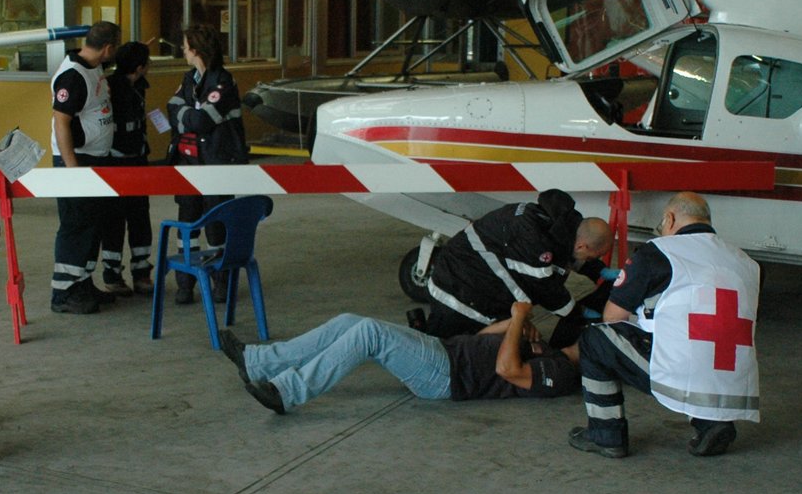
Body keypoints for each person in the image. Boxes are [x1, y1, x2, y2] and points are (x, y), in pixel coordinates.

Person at [569, 191, 760, 460]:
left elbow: (613, 316)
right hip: (735, 382)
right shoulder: (745, 261)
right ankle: (712, 422)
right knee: (692, 347)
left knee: (595, 338)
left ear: (669, 219)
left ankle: (605, 435)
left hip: (682, 371)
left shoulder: (657, 251)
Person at [221, 301, 579, 414]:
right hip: (445, 350)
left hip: (446, 376)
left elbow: (506, 369)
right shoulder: (548, 349)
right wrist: (515, 323)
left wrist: (517, 321)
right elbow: (483, 339)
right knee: (351, 321)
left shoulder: (560, 373)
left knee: (369, 335)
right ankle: (257, 361)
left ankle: (286, 393)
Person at [419, 190, 612, 343]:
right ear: (582, 246)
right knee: (456, 348)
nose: (590, 259)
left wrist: (599, 271)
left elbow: (569, 252)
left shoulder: (564, 224)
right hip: (458, 291)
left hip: (467, 273)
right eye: (593, 256)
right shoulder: (534, 243)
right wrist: (579, 313)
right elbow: (548, 292)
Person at [166, 22, 247, 305]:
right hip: (188, 164)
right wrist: (188, 113)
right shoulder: (190, 79)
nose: (182, 51)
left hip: (216, 164)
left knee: (216, 225)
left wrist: (185, 114)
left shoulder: (223, 82)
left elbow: (200, 121)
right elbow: (171, 107)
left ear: (197, 49)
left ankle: (220, 282)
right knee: (187, 225)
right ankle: (185, 284)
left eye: (186, 46)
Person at [49, 21, 119, 314]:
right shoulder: (73, 76)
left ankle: (82, 282)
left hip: (95, 158)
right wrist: (72, 169)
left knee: (92, 224)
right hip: (77, 161)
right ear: (108, 48)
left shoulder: (93, 67)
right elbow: (61, 122)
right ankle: (63, 293)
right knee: (75, 224)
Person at [98, 40, 154, 297]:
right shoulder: (111, 86)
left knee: (140, 216)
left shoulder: (138, 86)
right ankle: (112, 275)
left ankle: (142, 273)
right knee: (113, 219)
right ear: (140, 67)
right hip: (116, 162)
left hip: (138, 160)